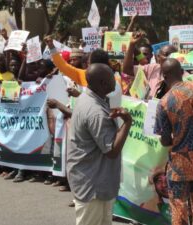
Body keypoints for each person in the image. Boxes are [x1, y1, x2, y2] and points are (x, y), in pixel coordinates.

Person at [67, 63, 132, 225]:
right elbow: (111, 150)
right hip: (92, 183)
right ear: (103, 83)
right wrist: (127, 123)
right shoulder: (95, 111)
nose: (115, 80)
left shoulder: (89, 98)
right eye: (111, 77)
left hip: (95, 179)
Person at [154, 58, 193, 225]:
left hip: (180, 164)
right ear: (182, 72)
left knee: (179, 206)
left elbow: (165, 140)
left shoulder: (164, 102)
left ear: (164, 76)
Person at [123, 32, 178, 98]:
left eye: (172, 55)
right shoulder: (152, 68)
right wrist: (132, 44)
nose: (169, 58)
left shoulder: (184, 76)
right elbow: (127, 69)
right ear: (158, 57)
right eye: (166, 55)